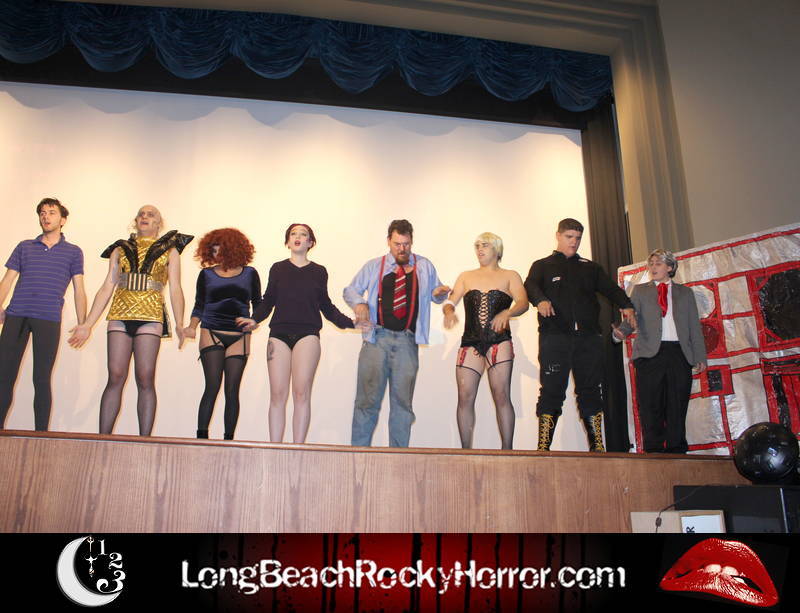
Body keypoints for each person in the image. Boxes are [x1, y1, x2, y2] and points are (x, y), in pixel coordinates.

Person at [68, 205, 191, 436]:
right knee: (115, 375)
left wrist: (180, 324)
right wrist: (87, 324)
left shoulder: (171, 251)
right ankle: (103, 438)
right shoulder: (120, 249)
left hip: (150, 315)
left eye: (151, 214)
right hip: (120, 314)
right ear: (135, 221)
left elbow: (176, 288)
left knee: (145, 376)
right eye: (141, 214)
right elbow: (107, 286)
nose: (145, 217)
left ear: (158, 223)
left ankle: (145, 440)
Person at [524, 218, 636, 452]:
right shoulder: (542, 265)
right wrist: (540, 300)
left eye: (578, 238)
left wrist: (626, 305)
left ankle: (598, 447)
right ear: (558, 236)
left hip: (588, 339)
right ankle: (543, 448)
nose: (574, 242)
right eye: (569, 237)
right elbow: (530, 285)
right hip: (555, 338)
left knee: (591, 390)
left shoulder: (590, 267)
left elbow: (611, 289)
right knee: (551, 390)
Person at [237, 224, 355, 443]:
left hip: (307, 334)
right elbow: (268, 301)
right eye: (293, 234)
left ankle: (298, 449)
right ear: (287, 241)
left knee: (301, 393)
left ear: (310, 242)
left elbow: (326, 305)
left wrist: (351, 323)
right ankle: (275, 448)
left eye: (303, 234)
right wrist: (254, 319)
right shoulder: (278, 268)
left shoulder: (319, 271)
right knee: (277, 394)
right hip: (278, 335)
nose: (298, 237)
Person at [344, 219, 450, 447]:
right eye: (397, 244)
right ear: (388, 241)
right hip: (377, 340)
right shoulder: (374, 266)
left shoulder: (424, 266)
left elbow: (436, 294)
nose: (402, 249)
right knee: (366, 402)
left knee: (403, 405)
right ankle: (357, 456)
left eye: (406, 244)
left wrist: (440, 293)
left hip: (407, 341)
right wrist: (359, 304)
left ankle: (399, 458)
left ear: (412, 241)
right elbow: (350, 290)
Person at [0, 198, 86, 431]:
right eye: (42, 213)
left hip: (48, 318)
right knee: (4, 377)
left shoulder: (73, 252)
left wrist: (83, 324)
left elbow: (79, 289)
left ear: (63, 219)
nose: (46, 216)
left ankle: (41, 436)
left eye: (52, 212)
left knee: (41, 378)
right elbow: (7, 280)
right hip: (17, 315)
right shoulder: (24, 246)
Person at [615, 249, 707, 453]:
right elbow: (632, 318)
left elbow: (694, 326)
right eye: (651, 264)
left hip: (679, 353)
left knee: (677, 403)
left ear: (670, 267)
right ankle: (653, 449)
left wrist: (700, 356)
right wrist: (621, 332)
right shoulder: (640, 290)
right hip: (649, 355)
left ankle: (677, 449)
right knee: (650, 404)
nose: (653, 267)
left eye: (658, 263)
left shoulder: (685, 293)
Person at [443, 232, 528, 449]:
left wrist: (507, 313)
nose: (480, 249)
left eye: (485, 245)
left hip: (499, 341)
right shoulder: (466, 276)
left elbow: (523, 302)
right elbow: (450, 301)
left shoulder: (510, 275)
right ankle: (466, 451)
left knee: (501, 395)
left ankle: (507, 451)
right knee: (464, 396)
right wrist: (449, 311)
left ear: (497, 249)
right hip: (471, 341)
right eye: (477, 246)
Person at [183, 228, 261, 441]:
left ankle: (229, 441)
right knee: (212, 386)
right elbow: (199, 305)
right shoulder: (206, 274)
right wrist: (191, 327)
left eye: (219, 247)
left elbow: (258, 303)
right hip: (211, 331)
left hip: (240, 335)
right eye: (213, 248)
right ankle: (201, 439)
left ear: (232, 248)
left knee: (232, 390)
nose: (215, 252)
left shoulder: (250, 273)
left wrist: (255, 321)